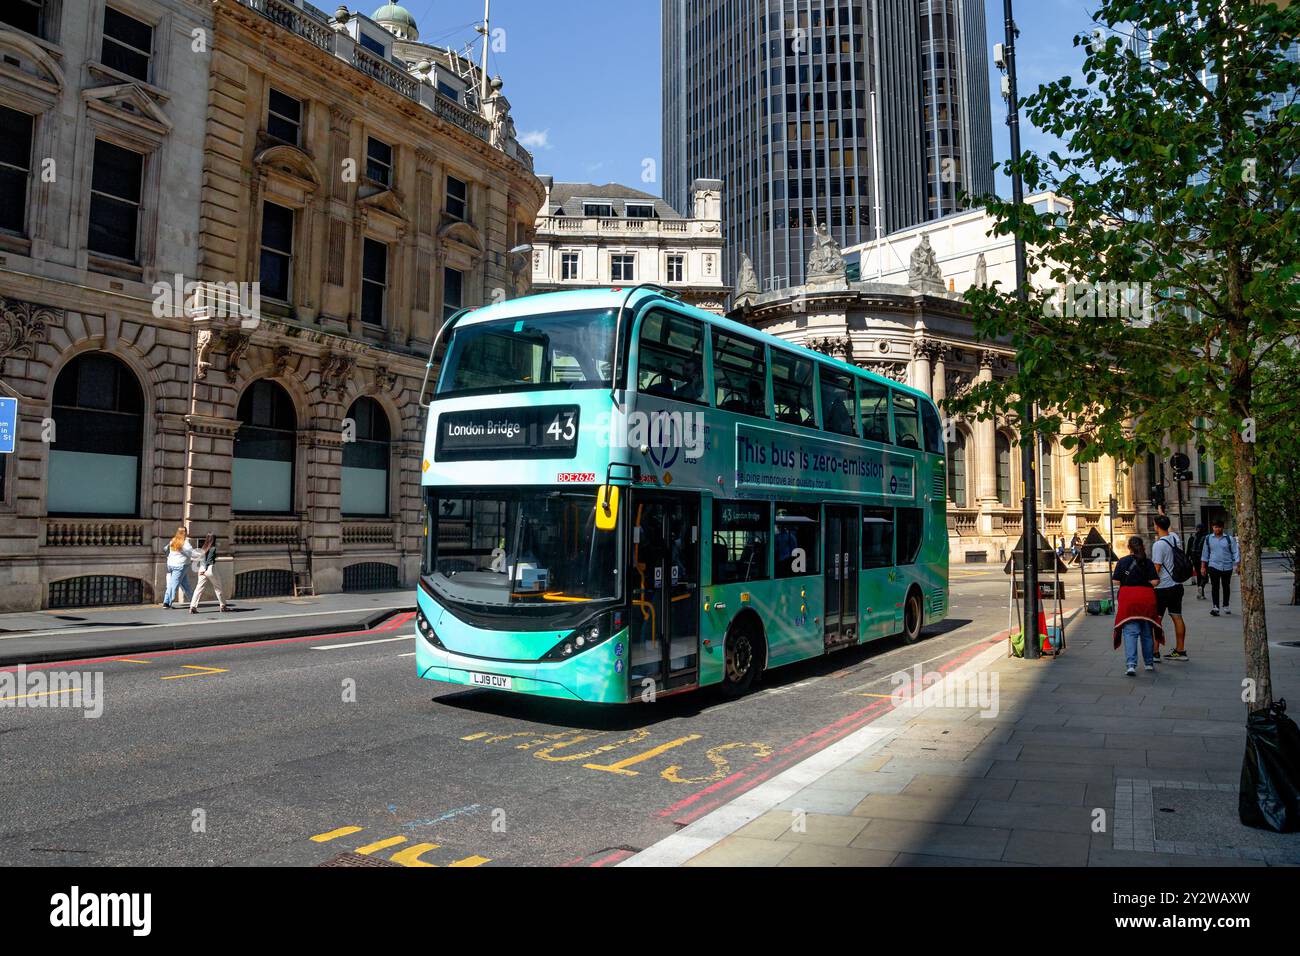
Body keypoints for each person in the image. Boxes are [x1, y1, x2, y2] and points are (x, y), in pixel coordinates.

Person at [1112, 535, 1164, 677]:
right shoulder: (1147, 563)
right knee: (1147, 633)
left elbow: (1116, 581)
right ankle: (1148, 663)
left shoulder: (1122, 561)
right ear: (1143, 547)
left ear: (1129, 548)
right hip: (1146, 600)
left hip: (1128, 600)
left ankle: (1131, 665)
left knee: (1130, 633)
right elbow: (1155, 582)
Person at [1152, 515, 1187, 661]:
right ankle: (1180, 650)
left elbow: (1157, 567)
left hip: (1162, 588)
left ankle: (1155, 652)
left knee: (1157, 619)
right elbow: (1170, 530)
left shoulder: (1158, 545)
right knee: (1177, 617)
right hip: (1177, 585)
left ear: (1156, 526)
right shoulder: (1174, 538)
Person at [1200, 519, 1240, 616]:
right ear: (1212, 528)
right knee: (1215, 587)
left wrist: (1238, 566)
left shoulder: (1229, 539)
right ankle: (1215, 607)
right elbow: (1205, 553)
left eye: (1219, 527)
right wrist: (1203, 567)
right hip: (1213, 566)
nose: (1217, 529)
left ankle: (1226, 605)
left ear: (1222, 527)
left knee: (1226, 586)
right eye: (1215, 527)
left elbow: (1236, 552)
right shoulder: (1208, 538)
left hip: (1227, 566)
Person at [189, 533, 229, 613]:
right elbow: (210, 560)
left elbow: (197, 559)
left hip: (201, 569)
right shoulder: (213, 548)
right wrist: (206, 569)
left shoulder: (203, 548)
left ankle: (192, 606)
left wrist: (201, 570)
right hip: (210, 569)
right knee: (218, 587)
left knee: (199, 588)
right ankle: (223, 605)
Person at [162, 527, 193, 609]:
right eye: (186, 532)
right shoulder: (185, 543)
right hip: (180, 566)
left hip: (171, 565)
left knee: (185, 584)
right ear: (185, 533)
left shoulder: (173, 541)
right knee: (173, 585)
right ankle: (167, 602)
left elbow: (165, 549)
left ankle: (193, 601)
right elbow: (191, 553)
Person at [1186, 523, 1209, 599]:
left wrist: (1187, 560)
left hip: (1195, 560)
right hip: (1204, 560)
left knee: (1199, 575)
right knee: (1205, 576)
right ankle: (1201, 586)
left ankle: (1201, 594)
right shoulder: (1207, 537)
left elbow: (1188, 551)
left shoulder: (1192, 538)